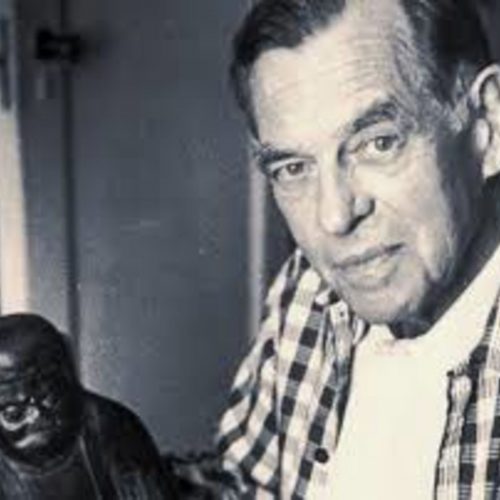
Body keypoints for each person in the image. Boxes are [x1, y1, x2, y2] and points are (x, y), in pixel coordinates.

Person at [171, 0, 500, 498]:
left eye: (378, 143)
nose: (334, 218)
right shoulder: (311, 290)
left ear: (486, 125)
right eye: (293, 168)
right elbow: (250, 486)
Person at [0, 313, 177, 499]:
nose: (38, 415)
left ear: (68, 378)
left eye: (50, 399)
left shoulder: (111, 428)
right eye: (14, 413)